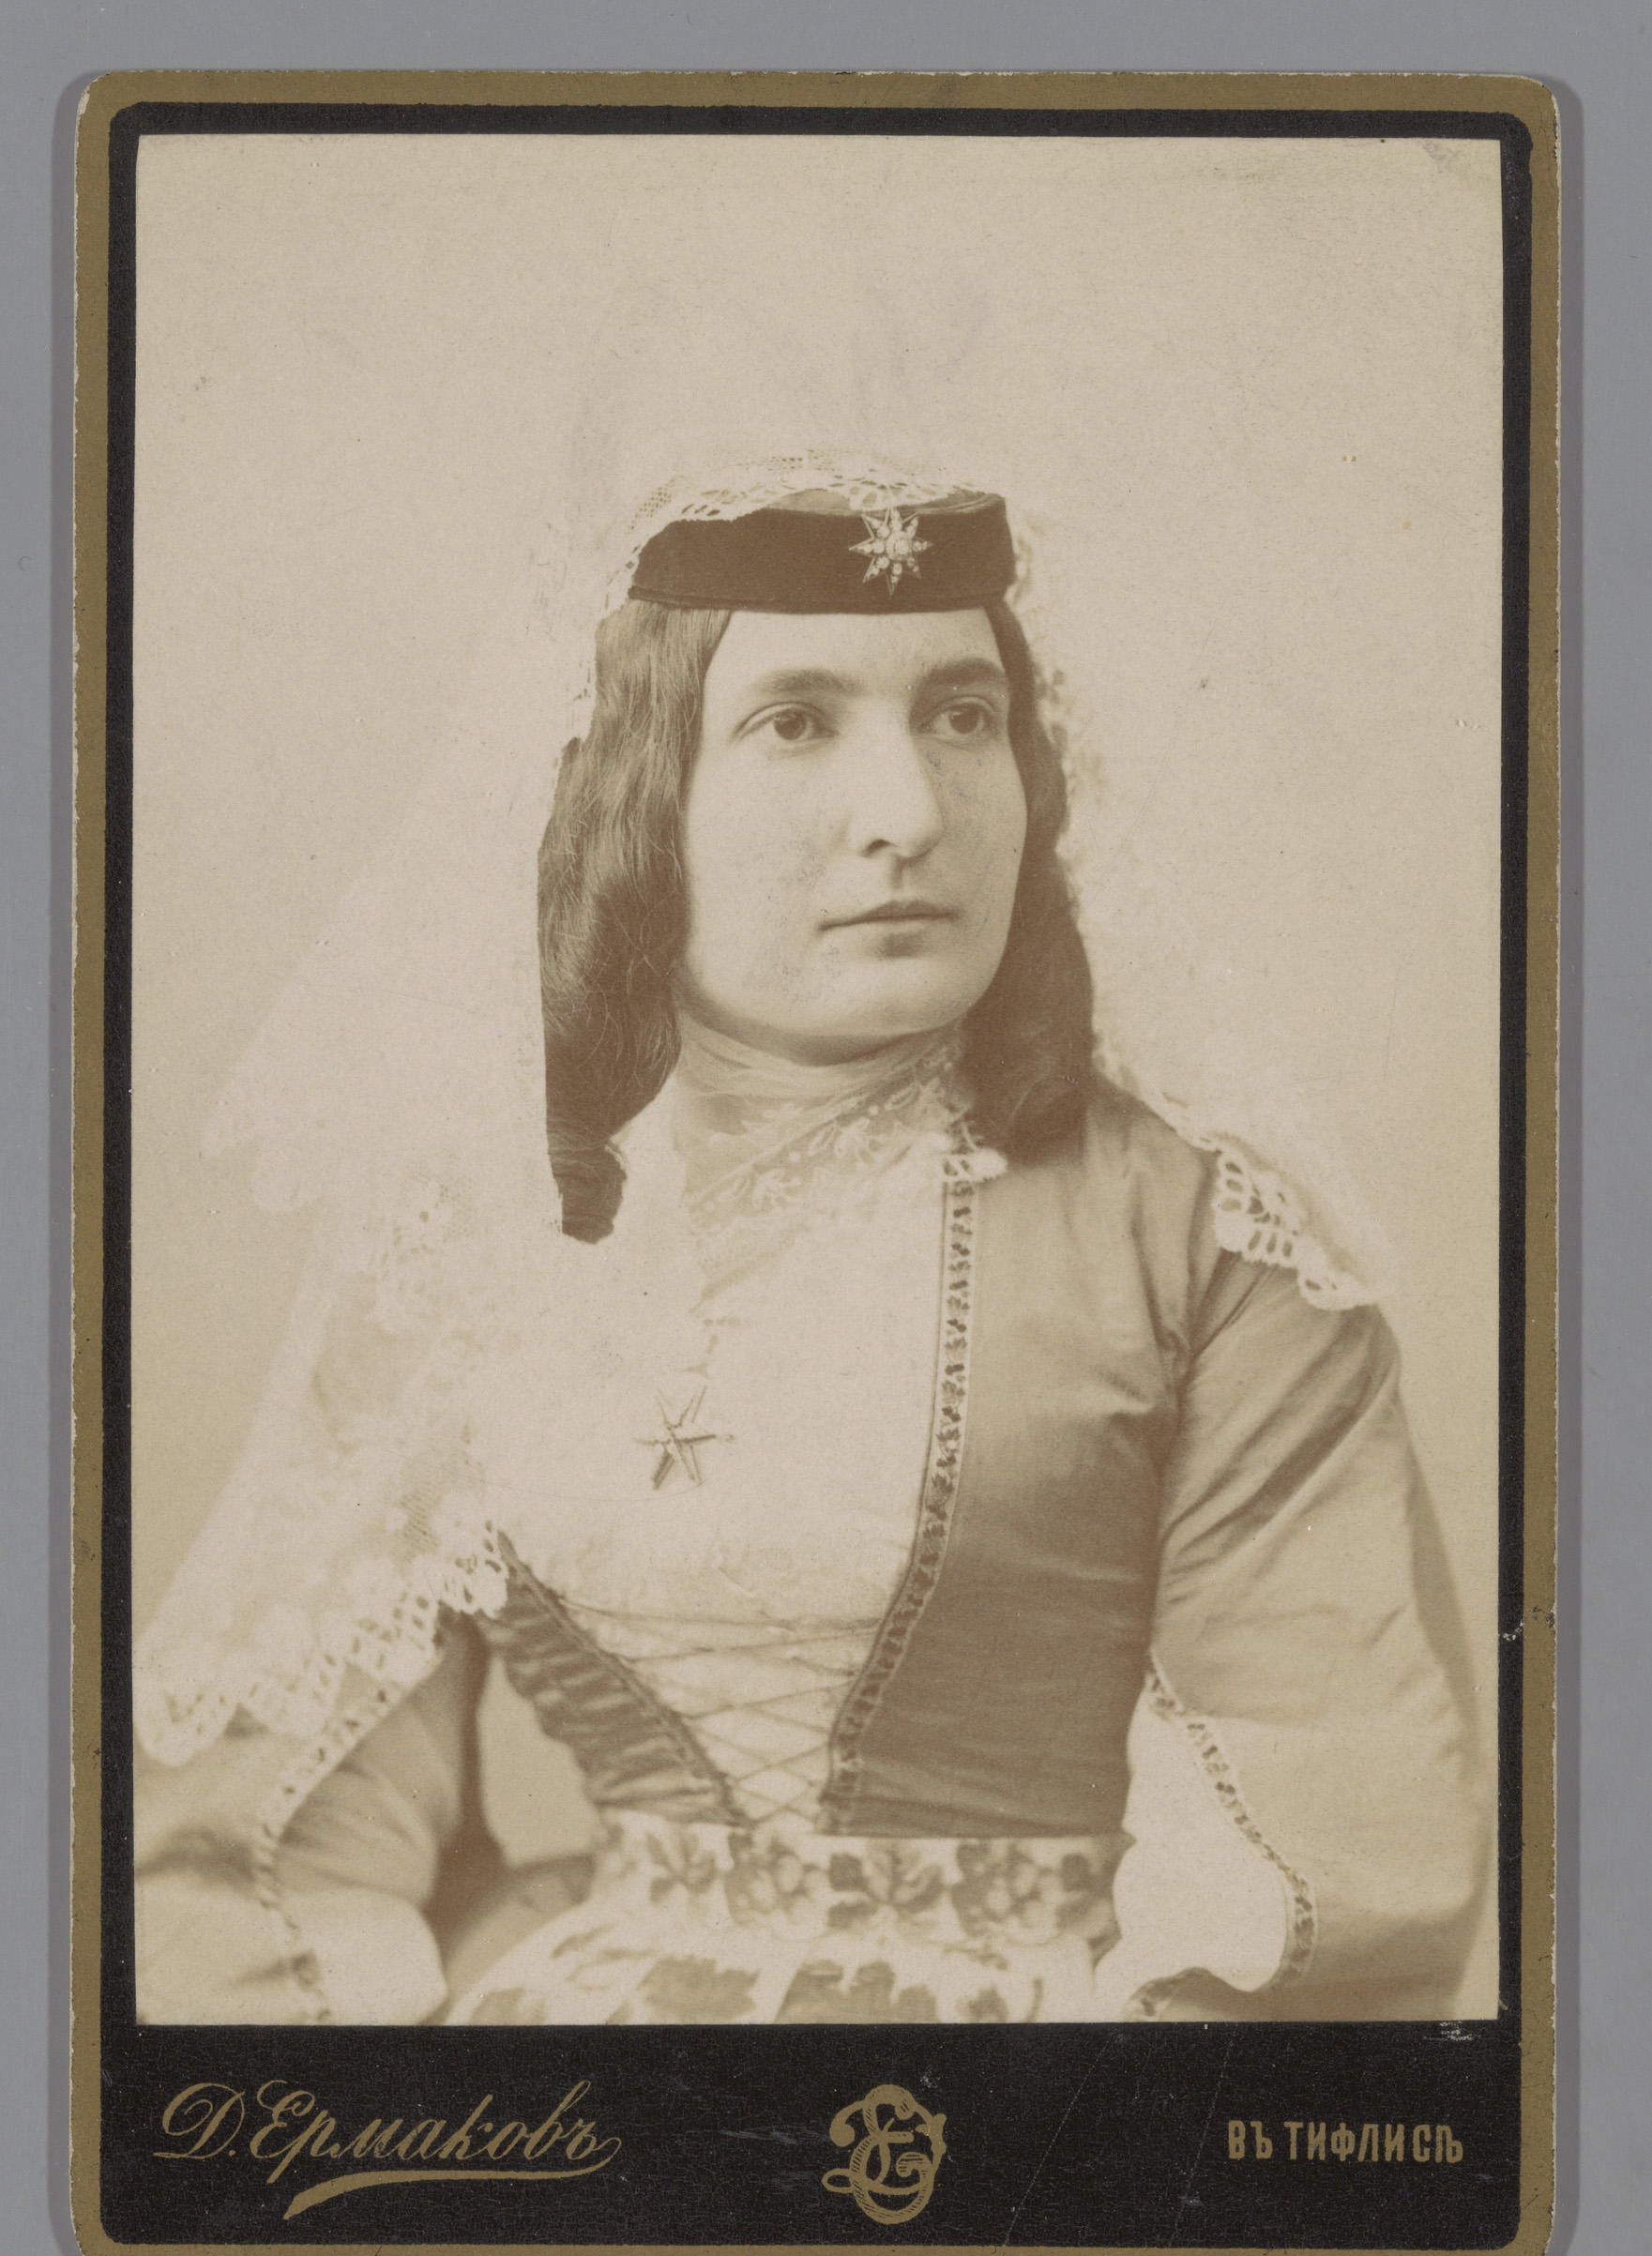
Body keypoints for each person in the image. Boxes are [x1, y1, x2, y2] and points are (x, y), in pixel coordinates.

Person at [132, 462, 1487, 2026]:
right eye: (795, 723)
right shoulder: (468, 1237)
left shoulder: (1205, 1235)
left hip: (1063, 2086)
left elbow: (1332, 1843)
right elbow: (264, 1845)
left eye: (962, 716)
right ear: (630, 793)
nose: (909, 814)